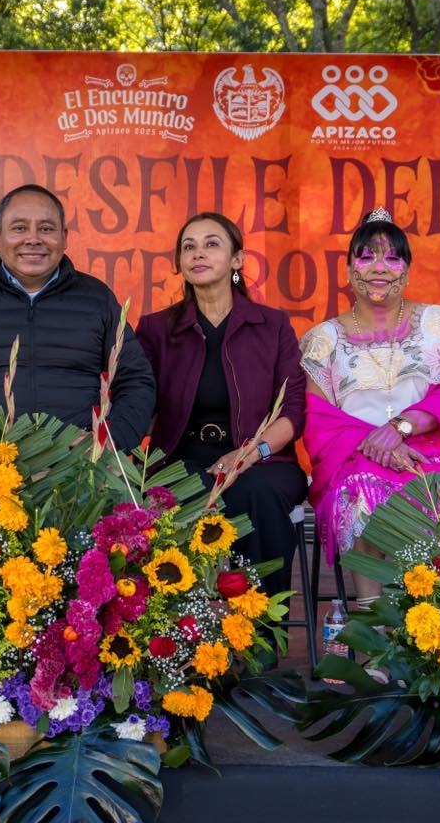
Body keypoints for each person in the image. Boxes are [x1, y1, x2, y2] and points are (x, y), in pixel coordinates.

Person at [300, 209, 440, 597]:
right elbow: (319, 419)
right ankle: (375, 636)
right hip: (355, 454)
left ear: (407, 267)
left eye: (391, 257)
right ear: (350, 268)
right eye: (366, 256)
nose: (378, 268)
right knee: (362, 495)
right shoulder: (323, 340)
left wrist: (400, 429)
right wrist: (376, 444)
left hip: (433, 449)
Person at [0, 184, 155, 447]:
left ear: (64, 237)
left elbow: (136, 380)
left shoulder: (97, 298)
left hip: (77, 470)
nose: (33, 239)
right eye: (19, 228)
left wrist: (110, 442)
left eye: (46, 229)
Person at [135, 213, 307, 595]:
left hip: (262, 460)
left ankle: (260, 624)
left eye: (212, 244)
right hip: (181, 462)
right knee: (167, 495)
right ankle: (175, 637)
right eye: (189, 246)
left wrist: (250, 453)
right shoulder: (155, 329)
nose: (199, 253)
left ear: (237, 260)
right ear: (180, 263)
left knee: (258, 491)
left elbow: (292, 409)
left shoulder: (272, 325)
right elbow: (138, 402)